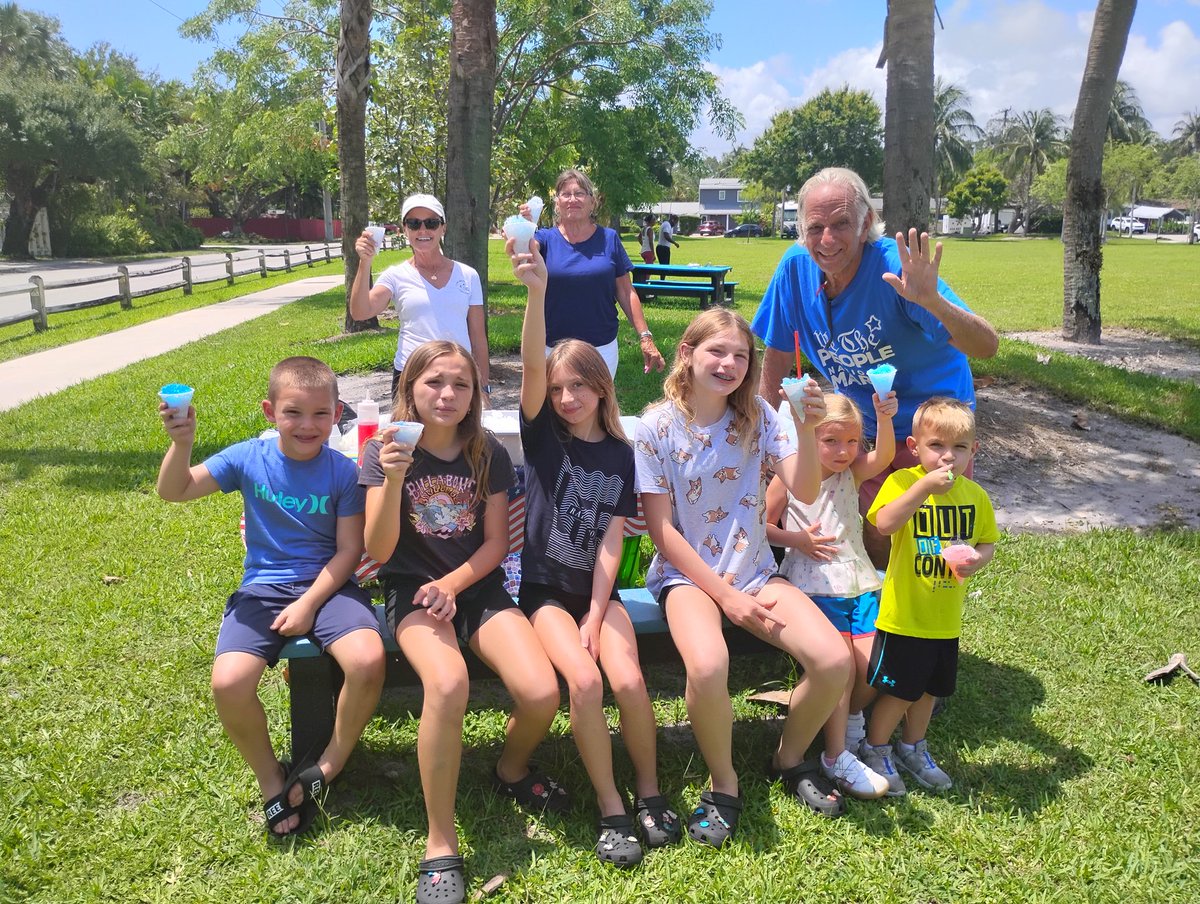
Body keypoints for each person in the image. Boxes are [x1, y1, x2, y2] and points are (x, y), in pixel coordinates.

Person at [634, 309, 853, 848]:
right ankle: (724, 782)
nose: (730, 363)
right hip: (685, 578)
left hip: (756, 570)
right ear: (687, 353)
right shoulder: (655, 426)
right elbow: (662, 533)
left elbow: (802, 491)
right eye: (717, 351)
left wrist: (804, 424)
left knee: (833, 662)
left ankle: (788, 757)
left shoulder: (758, 415)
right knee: (709, 666)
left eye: (741, 355)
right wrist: (725, 596)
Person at [359, 340, 567, 904]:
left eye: (461, 384)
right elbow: (376, 550)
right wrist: (395, 479)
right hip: (411, 591)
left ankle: (509, 768)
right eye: (433, 383)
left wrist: (455, 584)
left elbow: (499, 541)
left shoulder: (487, 453)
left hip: (476, 588)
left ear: (476, 394)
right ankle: (440, 840)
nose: (446, 394)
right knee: (448, 683)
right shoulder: (383, 452)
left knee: (542, 691)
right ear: (410, 388)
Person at [155, 356, 385, 837]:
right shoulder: (246, 458)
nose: (307, 425)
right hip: (262, 588)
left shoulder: (343, 472)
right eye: (293, 412)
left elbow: (349, 551)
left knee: (367, 659)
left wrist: (308, 604)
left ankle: (329, 763)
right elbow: (174, 491)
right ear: (269, 410)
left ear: (338, 412)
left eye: (320, 414)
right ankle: (270, 778)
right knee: (229, 684)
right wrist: (182, 443)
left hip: (330, 585)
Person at [509, 237, 680, 867]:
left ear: (602, 389)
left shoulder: (620, 453)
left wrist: (598, 612)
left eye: (579, 387)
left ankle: (649, 790)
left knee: (630, 679)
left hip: (594, 596)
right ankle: (611, 807)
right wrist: (535, 293)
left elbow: (613, 536)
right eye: (558, 389)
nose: (567, 398)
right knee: (583, 680)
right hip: (546, 593)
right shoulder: (542, 438)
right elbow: (530, 368)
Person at [750, 167, 998, 566]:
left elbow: (986, 346)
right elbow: (777, 356)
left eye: (841, 224)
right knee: (868, 533)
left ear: (867, 222)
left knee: (930, 549)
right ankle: (878, 621)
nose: (827, 240)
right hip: (862, 431)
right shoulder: (795, 269)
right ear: (801, 229)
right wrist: (762, 437)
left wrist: (932, 302)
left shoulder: (894, 269)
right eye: (815, 228)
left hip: (933, 430)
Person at [859, 397, 998, 796]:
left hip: (944, 617)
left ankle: (912, 747)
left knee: (929, 690)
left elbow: (987, 542)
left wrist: (977, 560)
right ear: (914, 447)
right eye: (936, 445)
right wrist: (922, 486)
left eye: (959, 447)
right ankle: (876, 747)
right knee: (899, 690)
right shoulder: (902, 483)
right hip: (904, 615)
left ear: (974, 450)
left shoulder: (975, 496)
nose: (947, 456)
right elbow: (883, 523)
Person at [764, 391, 897, 801]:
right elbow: (763, 527)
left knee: (876, 664)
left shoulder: (851, 472)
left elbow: (886, 456)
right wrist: (796, 539)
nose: (844, 452)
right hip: (813, 583)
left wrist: (883, 416)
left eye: (852, 441)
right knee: (842, 669)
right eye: (831, 441)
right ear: (810, 437)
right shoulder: (786, 477)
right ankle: (836, 752)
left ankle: (852, 720)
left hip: (858, 579)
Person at [522, 169, 665, 378]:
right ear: (557, 203)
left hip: (601, 348)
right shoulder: (544, 239)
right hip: (553, 348)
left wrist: (645, 336)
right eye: (566, 194)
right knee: (553, 408)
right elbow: (522, 251)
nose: (573, 199)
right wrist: (524, 226)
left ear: (592, 201)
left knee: (599, 407)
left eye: (580, 193)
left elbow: (626, 292)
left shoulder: (609, 239)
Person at [349, 193, 490, 404]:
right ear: (405, 229)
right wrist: (365, 263)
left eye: (432, 223)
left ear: (443, 228)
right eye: (414, 224)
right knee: (408, 437)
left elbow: (478, 337)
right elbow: (360, 311)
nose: (423, 230)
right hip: (411, 375)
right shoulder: (396, 275)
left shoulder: (468, 275)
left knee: (460, 437)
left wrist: (484, 386)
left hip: (457, 376)